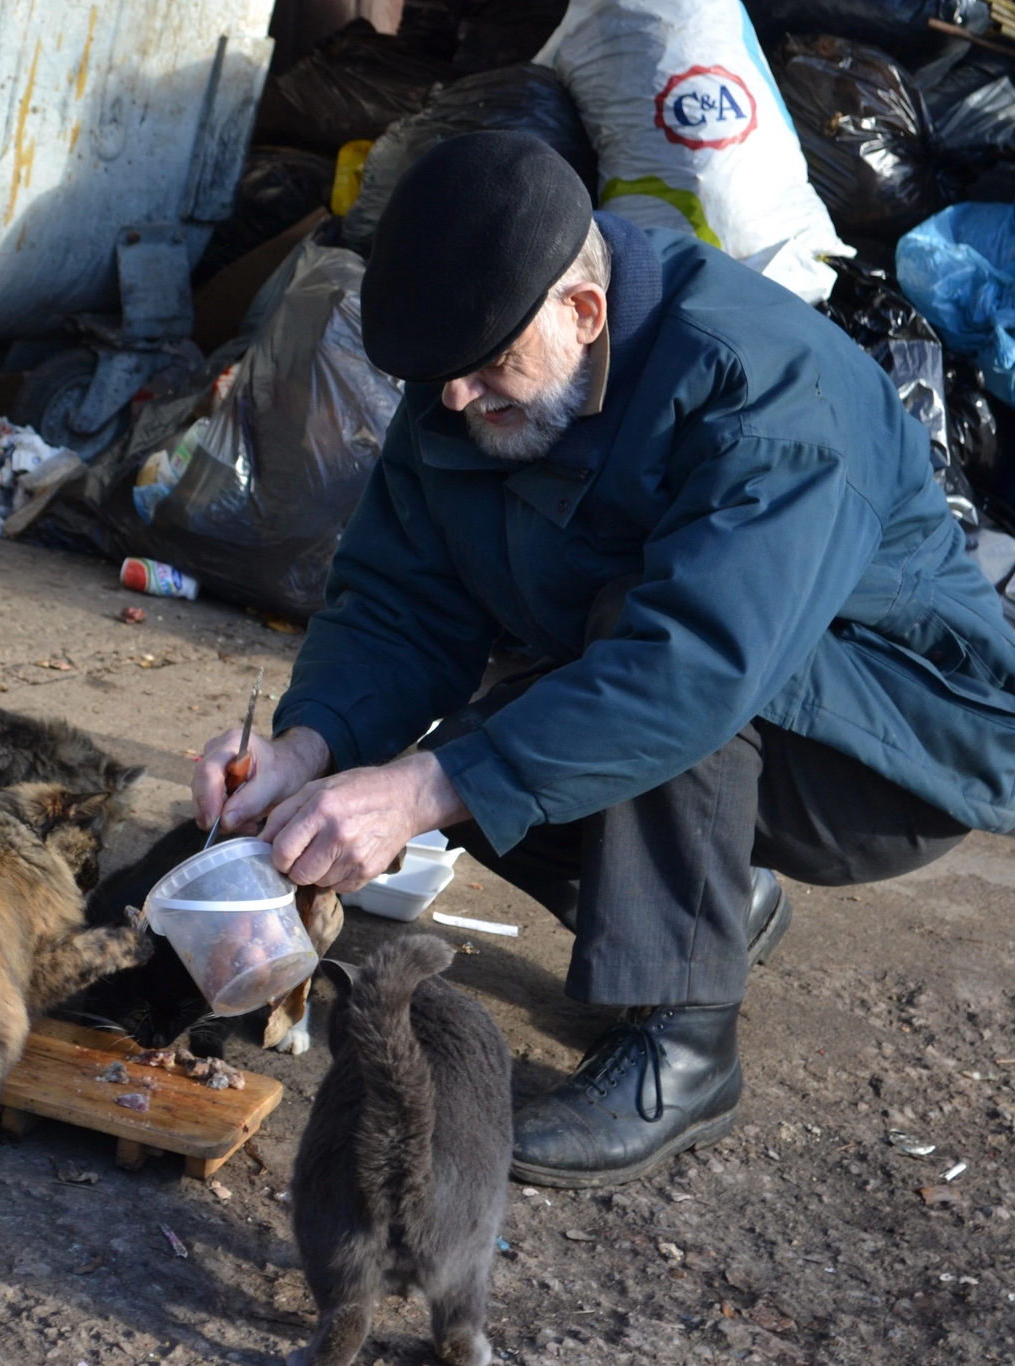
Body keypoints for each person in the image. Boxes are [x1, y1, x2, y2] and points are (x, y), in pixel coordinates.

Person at [193, 131, 1015, 1189]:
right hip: (720, 683)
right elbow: (401, 597)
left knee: (523, 731)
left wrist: (418, 789)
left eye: (485, 372)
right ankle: (721, 899)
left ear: (581, 312)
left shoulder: (766, 396)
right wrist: (310, 747)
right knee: (461, 759)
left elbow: (691, 669)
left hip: (894, 747)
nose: (452, 403)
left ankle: (682, 1046)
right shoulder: (475, 367)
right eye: (438, 379)